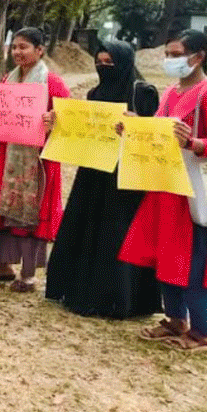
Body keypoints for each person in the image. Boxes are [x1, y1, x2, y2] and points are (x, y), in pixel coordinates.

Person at [44, 40, 160, 316]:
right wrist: (60, 123)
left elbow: (158, 134)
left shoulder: (143, 92)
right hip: (94, 170)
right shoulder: (95, 92)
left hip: (126, 174)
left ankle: (118, 298)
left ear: (125, 63)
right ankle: (82, 291)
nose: (103, 67)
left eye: (110, 63)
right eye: (99, 62)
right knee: (89, 225)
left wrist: (137, 124)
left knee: (117, 231)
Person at [120, 29, 207, 351]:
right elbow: (159, 132)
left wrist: (195, 143)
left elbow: (203, 142)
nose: (170, 60)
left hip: (194, 193)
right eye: (168, 55)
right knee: (167, 256)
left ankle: (203, 331)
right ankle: (175, 319)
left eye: (176, 55)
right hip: (166, 187)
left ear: (198, 57)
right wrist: (135, 127)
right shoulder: (172, 92)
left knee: (196, 261)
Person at [0, 27, 70, 293]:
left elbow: (70, 121)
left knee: (30, 214)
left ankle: (28, 275)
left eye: (23, 47)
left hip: (36, 160)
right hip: (4, 155)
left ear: (40, 50)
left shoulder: (53, 83)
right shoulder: (8, 80)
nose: (17, 52)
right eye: (14, 47)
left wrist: (55, 122)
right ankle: (2, 266)